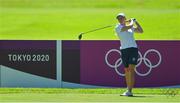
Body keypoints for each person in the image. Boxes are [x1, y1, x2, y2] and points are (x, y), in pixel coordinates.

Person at [115, 13, 143, 96]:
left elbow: (141, 31)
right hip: (124, 50)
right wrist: (131, 21)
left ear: (125, 18)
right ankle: (128, 89)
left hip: (133, 49)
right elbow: (129, 26)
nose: (120, 19)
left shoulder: (130, 28)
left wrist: (136, 22)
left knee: (131, 69)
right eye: (119, 18)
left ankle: (130, 91)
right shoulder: (118, 27)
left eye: (122, 18)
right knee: (127, 70)